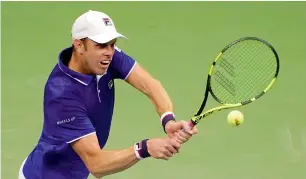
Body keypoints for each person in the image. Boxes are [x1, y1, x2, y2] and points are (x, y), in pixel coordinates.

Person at [18, 10, 198, 179]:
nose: (109, 52)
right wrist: (145, 148)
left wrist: (168, 120)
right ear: (79, 45)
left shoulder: (103, 58)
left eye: (112, 45)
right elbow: (96, 164)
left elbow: (151, 85)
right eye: (101, 45)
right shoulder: (62, 94)